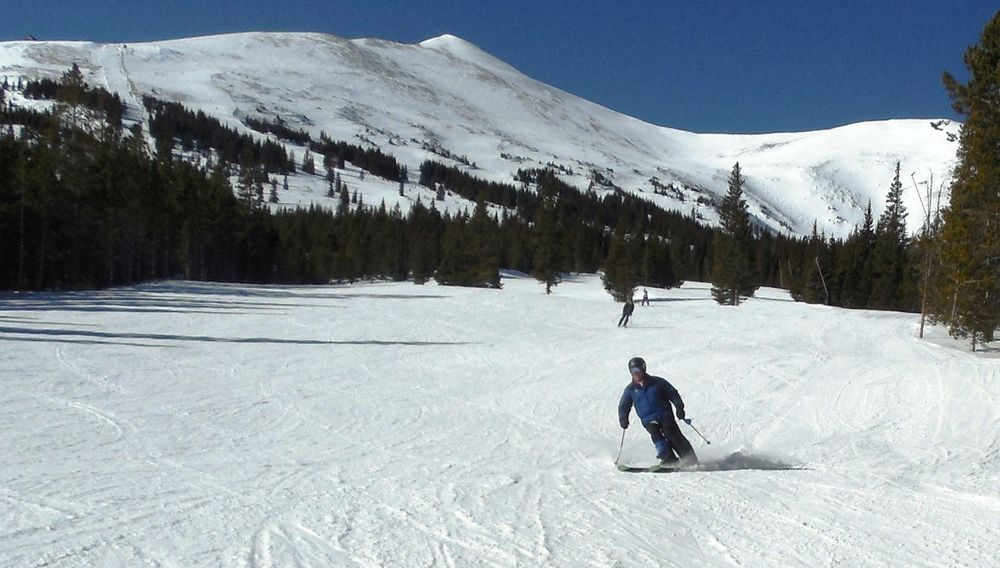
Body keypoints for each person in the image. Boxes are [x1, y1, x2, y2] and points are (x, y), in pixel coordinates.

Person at [617, 356, 697, 466]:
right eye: (632, 371)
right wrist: (623, 418)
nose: (635, 373)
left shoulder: (657, 382)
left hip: (664, 414)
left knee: (671, 433)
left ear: (643, 369)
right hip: (648, 419)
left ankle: (689, 458)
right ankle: (669, 459)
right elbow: (623, 405)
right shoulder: (630, 389)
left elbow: (673, 393)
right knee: (656, 436)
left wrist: (679, 408)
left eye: (637, 370)